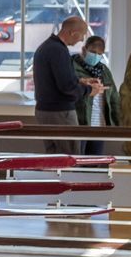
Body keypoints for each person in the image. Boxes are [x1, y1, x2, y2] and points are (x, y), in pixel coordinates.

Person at [31, 16, 103, 156]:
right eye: (81, 35)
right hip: (60, 113)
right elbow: (67, 87)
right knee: (69, 157)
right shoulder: (59, 51)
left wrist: (81, 81)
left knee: (52, 157)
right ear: (72, 33)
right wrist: (89, 90)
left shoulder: (45, 47)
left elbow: (56, 79)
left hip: (44, 111)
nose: (81, 40)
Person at [74, 34, 119, 158]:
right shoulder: (72, 66)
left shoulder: (104, 70)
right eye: (92, 52)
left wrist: (117, 122)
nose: (95, 56)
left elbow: (114, 97)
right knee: (77, 159)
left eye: (99, 53)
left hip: (99, 124)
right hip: (79, 122)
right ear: (84, 49)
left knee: (94, 161)